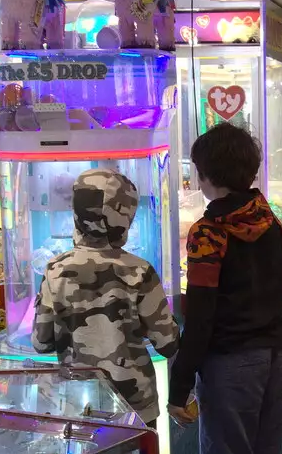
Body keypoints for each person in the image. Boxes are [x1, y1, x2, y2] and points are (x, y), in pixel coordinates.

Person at [170, 123, 282, 454]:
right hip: (273, 354)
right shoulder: (269, 219)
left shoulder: (208, 233)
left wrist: (178, 384)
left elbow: (201, 318)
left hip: (229, 364)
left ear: (205, 173)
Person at [34, 169, 178, 425]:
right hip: (134, 408)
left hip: (77, 404)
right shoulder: (140, 271)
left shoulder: (55, 270)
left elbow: (41, 342)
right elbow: (167, 343)